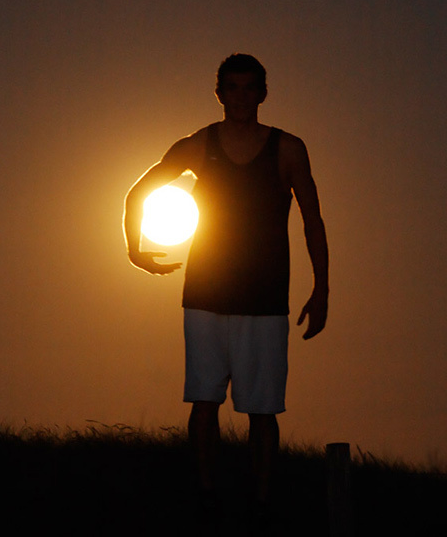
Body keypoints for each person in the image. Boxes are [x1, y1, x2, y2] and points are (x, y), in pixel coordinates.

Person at [123, 53, 329, 519]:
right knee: (204, 401)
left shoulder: (288, 149)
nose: (240, 96)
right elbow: (139, 192)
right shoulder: (199, 145)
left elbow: (313, 221)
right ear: (219, 93)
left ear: (263, 93)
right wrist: (135, 250)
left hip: (266, 299)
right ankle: (206, 495)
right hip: (205, 295)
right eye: (232, 87)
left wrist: (322, 290)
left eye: (249, 87)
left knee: (264, 410)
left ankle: (262, 502)